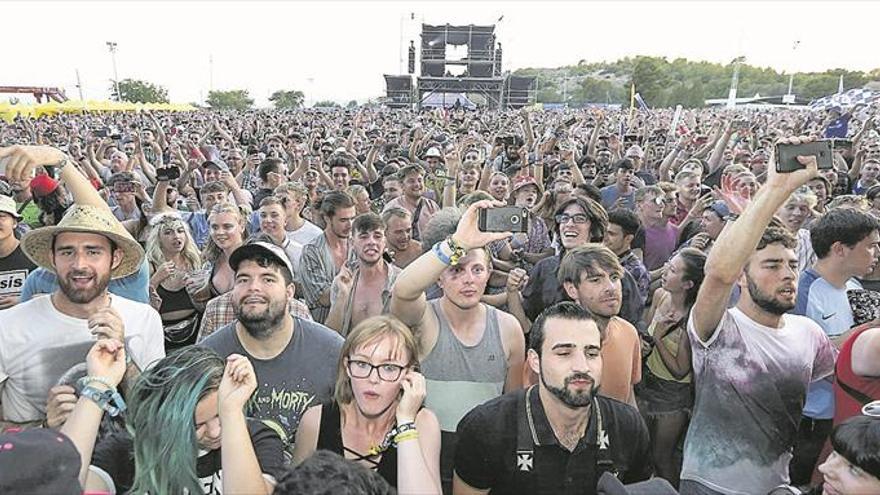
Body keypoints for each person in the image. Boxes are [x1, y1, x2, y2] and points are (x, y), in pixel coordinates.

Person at [681, 137, 838, 495]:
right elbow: (717, 271)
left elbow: (846, 383)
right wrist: (776, 189)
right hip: (708, 485)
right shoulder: (717, 327)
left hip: (776, 486)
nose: (787, 274)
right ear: (742, 275)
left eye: (792, 265)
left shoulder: (809, 334)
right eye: (771, 265)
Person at [0, 144, 165, 430]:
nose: (79, 263)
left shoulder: (143, 319)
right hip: (41, 473)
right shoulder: (7, 327)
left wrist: (123, 356)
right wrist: (42, 429)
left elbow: (158, 414)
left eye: (93, 251)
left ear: (115, 259)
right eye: (66, 252)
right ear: (51, 258)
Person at [390, 201, 526, 492]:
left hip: (485, 461)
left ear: (490, 273)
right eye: (456, 270)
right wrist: (457, 243)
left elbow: (512, 407)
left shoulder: (508, 329)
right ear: (438, 275)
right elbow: (403, 290)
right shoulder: (424, 318)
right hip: (428, 455)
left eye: (477, 270)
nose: (468, 280)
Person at [453, 302, 652, 494]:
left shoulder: (628, 427)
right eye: (564, 353)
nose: (582, 366)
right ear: (535, 361)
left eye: (591, 353)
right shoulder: (487, 429)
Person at [200, 239, 343, 450]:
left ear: (289, 292)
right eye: (243, 279)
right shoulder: (207, 356)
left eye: (268, 279)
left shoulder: (332, 351)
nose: (253, 288)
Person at [86, 346, 285, 494]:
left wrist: (231, 413)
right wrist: (96, 388)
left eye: (220, 416)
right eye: (196, 425)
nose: (215, 432)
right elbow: (67, 485)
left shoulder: (258, 439)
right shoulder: (127, 449)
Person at [293, 315, 442, 492]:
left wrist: (405, 423)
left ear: (409, 374)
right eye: (362, 364)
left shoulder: (422, 423)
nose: (373, 379)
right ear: (347, 366)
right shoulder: (315, 420)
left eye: (389, 368)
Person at [789, 207, 880, 485]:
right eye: (870, 247)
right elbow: (798, 355)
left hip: (846, 415)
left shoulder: (854, 286)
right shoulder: (800, 291)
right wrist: (863, 332)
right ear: (840, 249)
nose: (876, 254)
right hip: (811, 418)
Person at [639, 247, 706, 486]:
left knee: (662, 456)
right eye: (668, 263)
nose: (666, 271)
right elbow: (646, 334)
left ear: (688, 284)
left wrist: (657, 337)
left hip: (672, 394)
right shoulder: (660, 296)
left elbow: (680, 369)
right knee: (644, 451)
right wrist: (646, 343)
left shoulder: (694, 317)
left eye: (674, 270)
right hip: (646, 382)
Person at [558, 244, 642, 406]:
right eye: (596, 280)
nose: (611, 288)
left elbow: (628, 395)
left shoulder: (629, 333)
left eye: (614, 277)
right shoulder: (555, 343)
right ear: (572, 289)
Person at [326, 213, 401, 336]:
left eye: (377, 236)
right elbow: (330, 336)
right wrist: (343, 295)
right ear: (352, 243)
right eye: (363, 237)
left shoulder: (400, 281)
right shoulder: (342, 281)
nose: (371, 242)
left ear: (385, 242)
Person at [146, 213, 203, 351]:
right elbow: (141, 304)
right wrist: (156, 279)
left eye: (180, 231)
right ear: (158, 238)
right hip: (163, 335)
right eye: (168, 232)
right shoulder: (150, 265)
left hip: (196, 331)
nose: (176, 236)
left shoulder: (196, 260)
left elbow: (205, 304)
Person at [300, 191, 356, 323]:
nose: (350, 225)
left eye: (353, 218)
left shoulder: (359, 246)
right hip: (325, 328)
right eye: (343, 220)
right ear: (327, 218)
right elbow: (322, 298)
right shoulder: (312, 252)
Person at [382, 164, 440, 242]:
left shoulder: (432, 206)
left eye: (419, 180)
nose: (417, 184)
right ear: (402, 186)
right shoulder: (392, 208)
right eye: (411, 181)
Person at [604, 208, 650, 303]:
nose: (605, 237)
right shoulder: (596, 258)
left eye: (611, 234)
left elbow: (634, 311)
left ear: (628, 239)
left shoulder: (636, 271)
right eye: (605, 231)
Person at [0, 194, 37, 309]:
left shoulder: (34, 255)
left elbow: (56, 295)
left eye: (2, 216)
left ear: (15, 222)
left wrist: (25, 300)